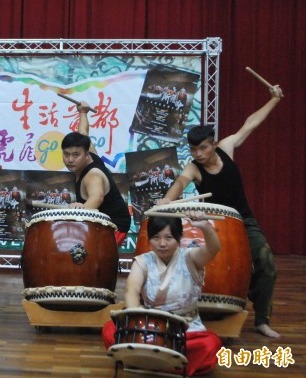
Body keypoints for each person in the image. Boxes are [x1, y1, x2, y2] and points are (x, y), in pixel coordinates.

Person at [158, 84, 284, 338]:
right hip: (212, 224)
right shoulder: (194, 167)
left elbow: (251, 124)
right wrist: (166, 200)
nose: (198, 154)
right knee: (211, 268)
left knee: (266, 262)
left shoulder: (226, 148)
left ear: (213, 144)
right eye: (193, 149)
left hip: (242, 221)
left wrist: (274, 100)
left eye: (203, 148)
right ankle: (194, 310)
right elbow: (181, 182)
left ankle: (262, 319)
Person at [102, 212, 222, 376]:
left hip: (186, 330)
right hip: (150, 329)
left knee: (210, 344)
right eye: (156, 237)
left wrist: (204, 227)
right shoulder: (143, 261)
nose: (162, 243)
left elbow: (213, 249)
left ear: (179, 237)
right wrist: (136, 321)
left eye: (169, 237)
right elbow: (132, 290)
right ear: (149, 238)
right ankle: (171, 364)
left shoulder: (190, 257)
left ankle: (147, 362)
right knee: (110, 330)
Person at [61, 101, 131, 244]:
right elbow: (84, 132)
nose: (70, 160)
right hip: (99, 222)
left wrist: (82, 210)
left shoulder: (93, 176)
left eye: (75, 155)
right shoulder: (89, 152)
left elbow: (97, 197)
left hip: (114, 227)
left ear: (86, 154)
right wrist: (83, 112)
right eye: (66, 154)